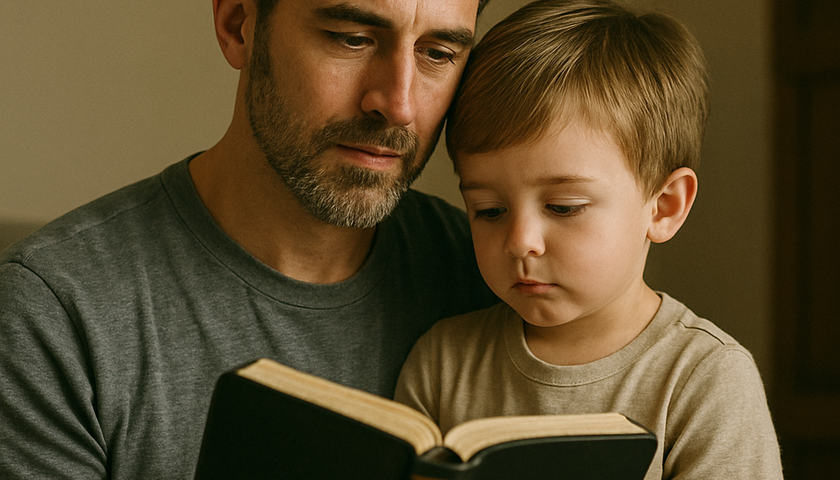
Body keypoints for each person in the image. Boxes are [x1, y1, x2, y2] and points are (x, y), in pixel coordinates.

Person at [0, 0, 499, 478]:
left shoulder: (499, 276)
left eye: (438, 53)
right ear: (238, 25)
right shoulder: (51, 313)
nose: (398, 105)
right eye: (352, 39)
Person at [394, 1, 783, 478]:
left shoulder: (703, 378)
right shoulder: (442, 363)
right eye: (489, 211)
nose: (521, 242)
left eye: (563, 208)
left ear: (664, 207)